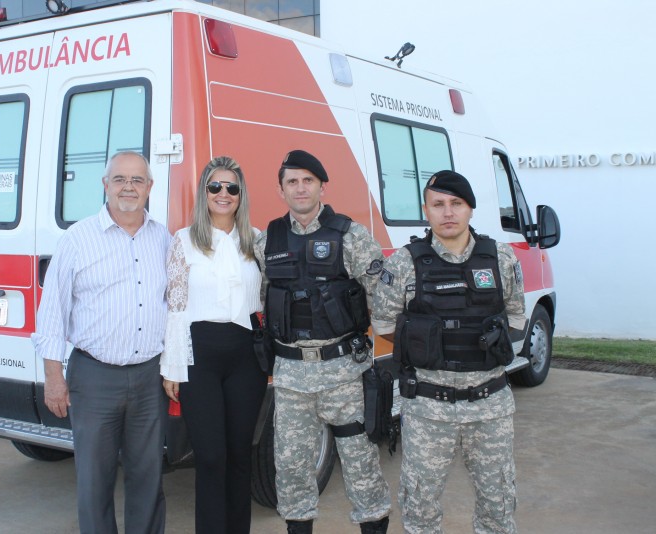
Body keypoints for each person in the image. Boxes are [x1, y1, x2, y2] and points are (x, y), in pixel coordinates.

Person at [374, 170, 525, 534]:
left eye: (456, 203)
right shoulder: (404, 262)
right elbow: (384, 325)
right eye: (438, 204)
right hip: (429, 408)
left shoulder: (501, 258)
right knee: (420, 506)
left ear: (470, 208)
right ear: (425, 210)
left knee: (498, 504)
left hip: (489, 407)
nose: (448, 212)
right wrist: (428, 348)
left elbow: (516, 319)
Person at [32, 151, 171, 534]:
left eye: (137, 180)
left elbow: (174, 306)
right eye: (120, 179)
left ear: (149, 187)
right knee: (94, 481)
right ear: (105, 184)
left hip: (149, 377)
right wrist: (54, 377)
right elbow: (53, 311)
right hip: (94, 378)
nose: (129, 187)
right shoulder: (78, 239)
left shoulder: (163, 238)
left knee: (148, 477)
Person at [254, 150, 392, 534]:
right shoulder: (266, 242)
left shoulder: (352, 236)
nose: (300, 188)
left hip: (343, 374)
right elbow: (256, 299)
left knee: (361, 465)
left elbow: (384, 297)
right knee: (292, 470)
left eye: (308, 181)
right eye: (292, 182)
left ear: (322, 187)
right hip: (291, 377)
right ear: (281, 190)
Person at [160, 156, 266, 534]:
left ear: (241, 195)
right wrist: (172, 368)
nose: (224, 194)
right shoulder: (184, 240)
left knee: (240, 455)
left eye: (232, 187)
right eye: (215, 186)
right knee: (210, 457)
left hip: (246, 355)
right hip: (199, 354)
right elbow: (175, 307)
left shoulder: (255, 240)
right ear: (204, 193)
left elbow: (268, 298)